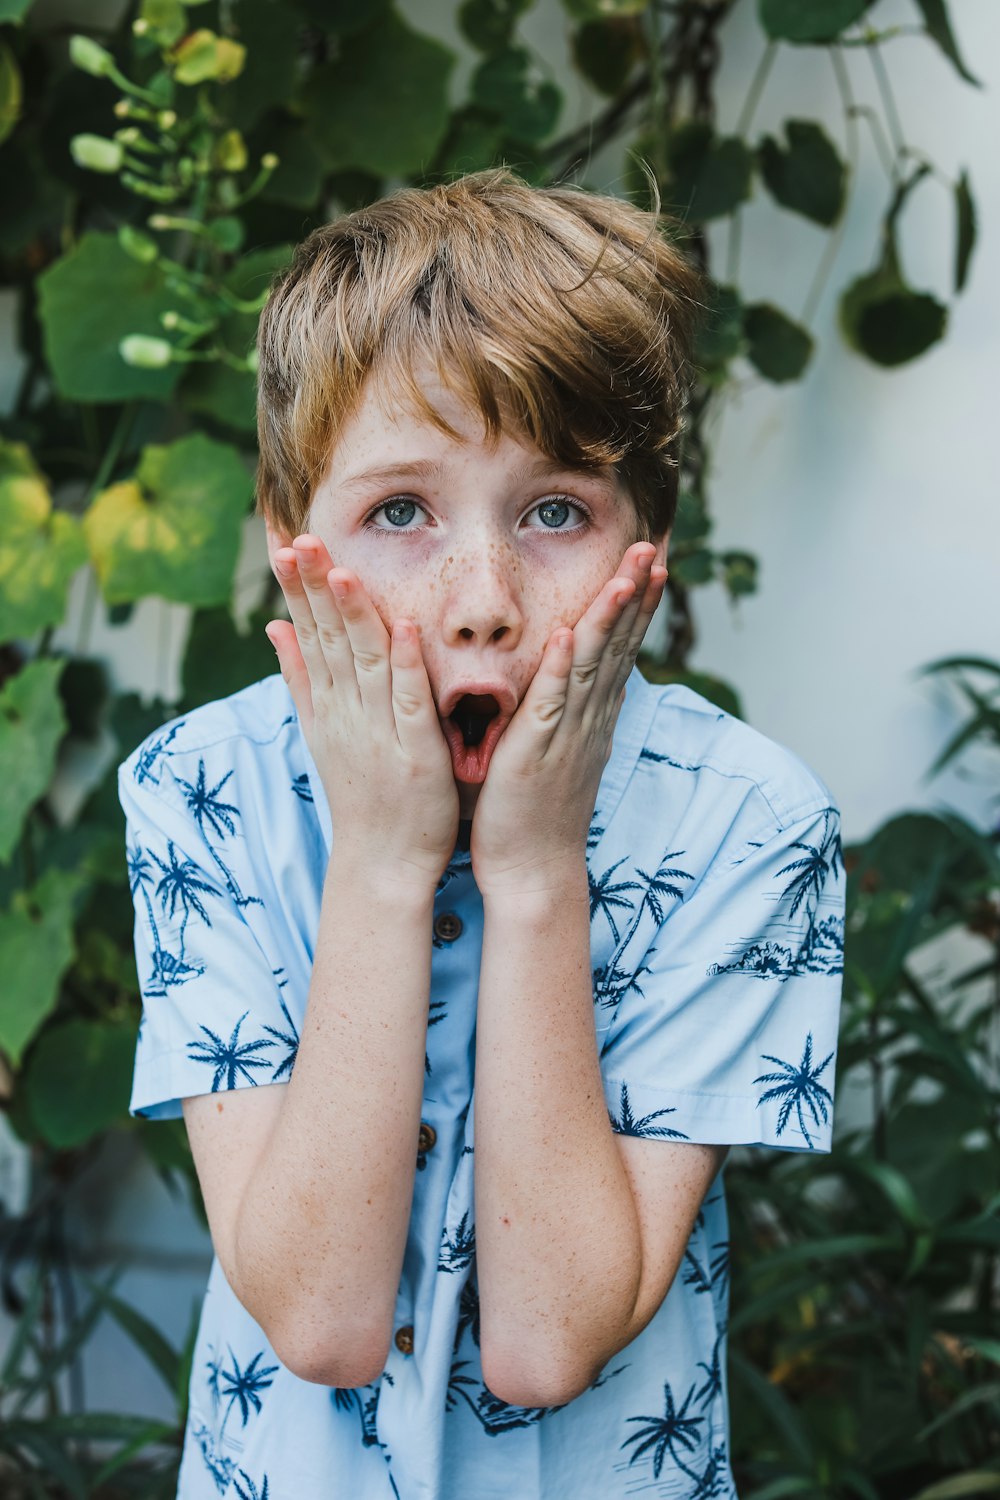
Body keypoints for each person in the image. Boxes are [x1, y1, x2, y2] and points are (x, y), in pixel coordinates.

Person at [119, 167, 846, 1500]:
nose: (483, 603)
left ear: (653, 546)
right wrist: (387, 869)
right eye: (400, 512)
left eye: (556, 510)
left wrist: (532, 875)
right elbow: (323, 1324)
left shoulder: (749, 821)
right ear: (291, 544)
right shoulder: (201, 787)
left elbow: (548, 1342)